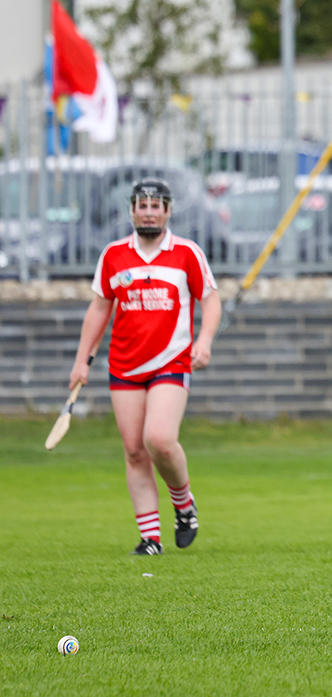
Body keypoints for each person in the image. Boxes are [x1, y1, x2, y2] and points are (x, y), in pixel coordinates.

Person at [68, 177, 220, 555]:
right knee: (135, 450)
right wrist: (81, 360)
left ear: (167, 211)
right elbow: (100, 308)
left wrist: (204, 341)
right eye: (142, 205)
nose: (149, 212)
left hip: (171, 362)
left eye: (156, 206)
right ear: (132, 210)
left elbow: (211, 300)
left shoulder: (186, 253)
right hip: (124, 365)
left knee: (159, 440)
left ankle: (183, 504)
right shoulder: (114, 255)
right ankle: (150, 537)